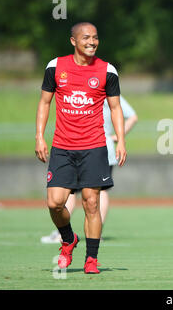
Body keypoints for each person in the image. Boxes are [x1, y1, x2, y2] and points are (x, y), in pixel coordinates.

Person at [35, 22, 127, 274]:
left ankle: (91, 260)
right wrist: (39, 137)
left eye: (95, 37)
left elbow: (116, 108)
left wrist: (121, 139)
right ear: (73, 41)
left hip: (94, 147)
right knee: (55, 203)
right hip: (62, 148)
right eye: (86, 37)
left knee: (91, 203)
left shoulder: (107, 70)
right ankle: (68, 239)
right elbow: (44, 103)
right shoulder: (55, 67)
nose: (92, 41)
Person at [41, 96, 137, 244]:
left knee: (74, 190)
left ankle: (63, 233)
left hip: (91, 146)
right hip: (99, 147)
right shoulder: (104, 89)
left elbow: (132, 117)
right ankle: (95, 232)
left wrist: (117, 137)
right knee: (99, 190)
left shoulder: (97, 89)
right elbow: (132, 116)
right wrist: (117, 137)